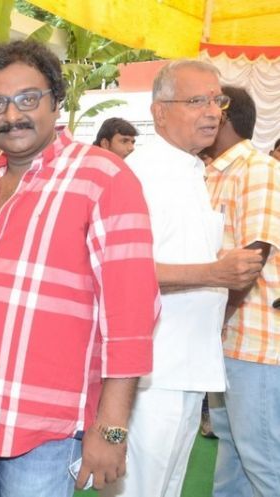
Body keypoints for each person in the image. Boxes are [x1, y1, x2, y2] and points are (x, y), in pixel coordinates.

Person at [0, 39, 160, 497]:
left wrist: (112, 428)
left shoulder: (103, 177)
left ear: (56, 101)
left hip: (47, 425)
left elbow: (131, 316)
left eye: (28, 99)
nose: (12, 115)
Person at [101, 61, 264, 497]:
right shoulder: (144, 175)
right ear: (159, 112)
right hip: (152, 372)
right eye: (196, 101)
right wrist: (215, 273)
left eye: (217, 100)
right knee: (139, 488)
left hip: (186, 365)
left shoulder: (191, 170)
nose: (212, 112)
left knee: (165, 487)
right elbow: (121, 270)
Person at [203, 85, 280, 497]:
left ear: (224, 118)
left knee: (265, 462)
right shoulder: (213, 173)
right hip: (227, 341)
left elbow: (254, 254)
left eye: (206, 108)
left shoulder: (257, 169)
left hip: (254, 344)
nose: (199, 117)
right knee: (232, 455)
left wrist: (214, 322)